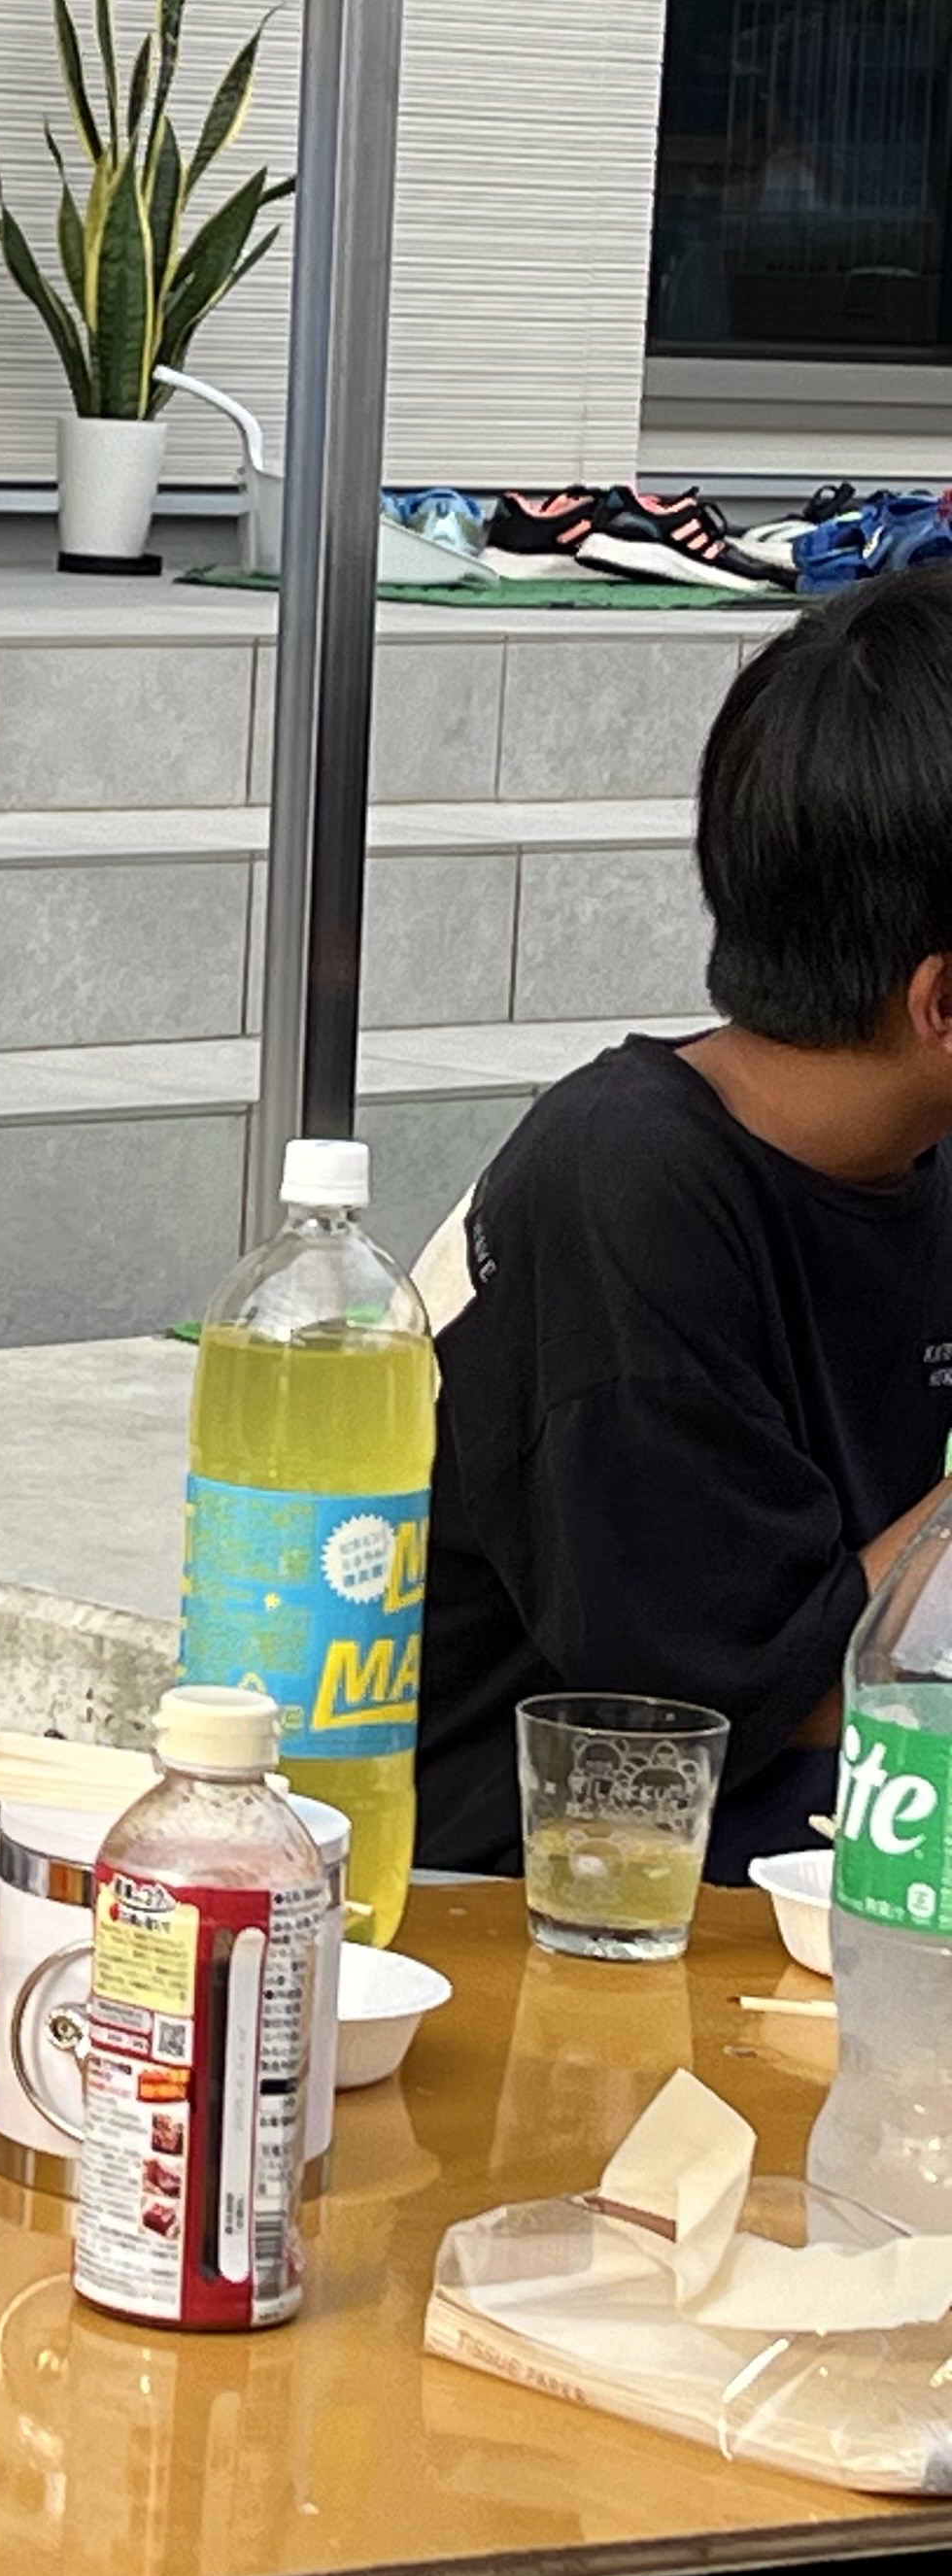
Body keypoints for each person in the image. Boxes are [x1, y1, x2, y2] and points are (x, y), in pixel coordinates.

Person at [418, 568, 952, 1879]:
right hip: (559, 1893)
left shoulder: (912, 1136)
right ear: (942, 1006)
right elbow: (759, 1696)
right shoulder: (625, 1188)